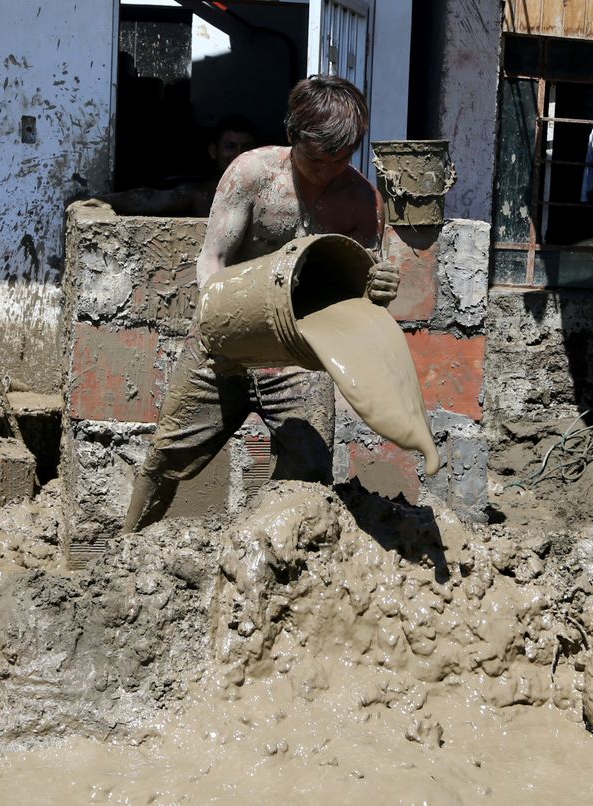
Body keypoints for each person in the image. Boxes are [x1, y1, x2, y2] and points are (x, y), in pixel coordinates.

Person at [121, 75, 399, 534]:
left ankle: (274, 572)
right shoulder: (252, 174)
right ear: (292, 135)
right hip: (225, 342)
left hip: (299, 356)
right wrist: (214, 323)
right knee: (166, 456)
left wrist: (380, 289)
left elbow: (360, 290)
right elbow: (212, 258)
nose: (328, 169)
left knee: (309, 473)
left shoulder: (362, 202)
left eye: (341, 159)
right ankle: (123, 552)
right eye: (316, 158)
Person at [94, 115, 260, 217]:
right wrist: (104, 200)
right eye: (230, 147)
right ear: (213, 151)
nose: (240, 154)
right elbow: (150, 199)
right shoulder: (202, 194)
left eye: (247, 147)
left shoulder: (269, 192)